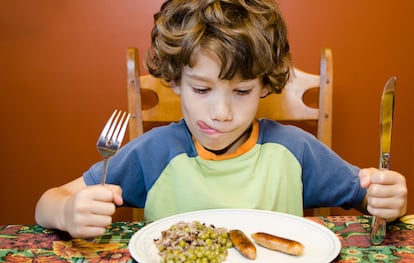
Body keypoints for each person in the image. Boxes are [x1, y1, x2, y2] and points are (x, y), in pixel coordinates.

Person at [35, 0, 407, 239]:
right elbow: (49, 202)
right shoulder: (154, 153)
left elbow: (370, 199)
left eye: (241, 91)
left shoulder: (294, 150)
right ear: (176, 81)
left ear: (265, 85)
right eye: (201, 90)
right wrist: (67, 211)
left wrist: (386, 199)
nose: (221, 113)